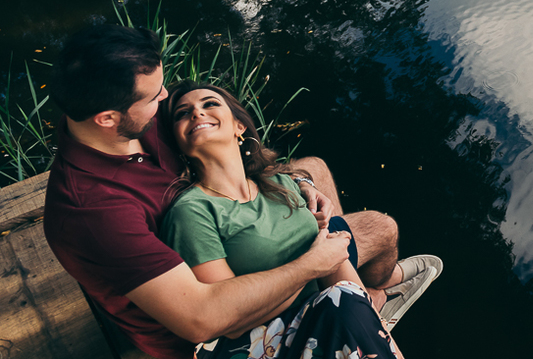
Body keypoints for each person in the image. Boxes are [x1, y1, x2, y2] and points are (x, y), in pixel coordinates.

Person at [42, 24, 439, 359]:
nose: (166, 99)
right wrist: (314, 265)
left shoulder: (134, 112)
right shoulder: (91, 212)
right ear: (108, 118)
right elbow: (202, 318)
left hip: (242, 246)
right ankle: (362, 310)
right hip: (213, 325)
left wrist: (302, 187)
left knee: (317, 173)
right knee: (357, 275)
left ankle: (370, 298)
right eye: (154, 97)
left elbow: (219, 136)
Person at [161, 81, 439, 359]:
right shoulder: (191, 211)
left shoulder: (279, 183)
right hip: (260, 340)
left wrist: (384, 339)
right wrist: (313, 266)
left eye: (210, 104)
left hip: (327, 311)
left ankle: (373, 308)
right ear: (178, 143)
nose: (196, 113)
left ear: (239, 126)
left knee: (345, 286)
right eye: (182, 114)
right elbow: (228, 320)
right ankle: (376, 302)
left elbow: (334, 267)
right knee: (340, 302)